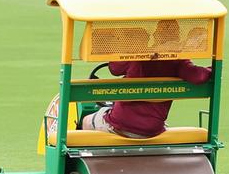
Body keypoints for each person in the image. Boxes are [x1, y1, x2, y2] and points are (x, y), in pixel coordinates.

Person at [82, 59, 211, 138]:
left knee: (86, 121)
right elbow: (199, 76)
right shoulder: (178, 61)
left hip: (121, 124)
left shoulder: (138, 55)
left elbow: (114, 68)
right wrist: (212, 69)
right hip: (152, 128)